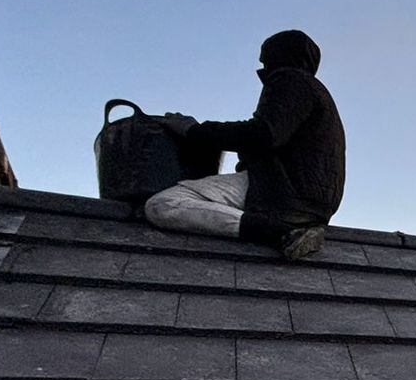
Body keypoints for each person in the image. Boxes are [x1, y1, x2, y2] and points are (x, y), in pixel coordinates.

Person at [143, 29, 346, 260]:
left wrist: (193, 130)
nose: (262, 65)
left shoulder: (290, 79)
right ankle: (286, 226)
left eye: (266, 58)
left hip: (281, 191)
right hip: (314, 206)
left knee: (162, 204)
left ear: (279, 55)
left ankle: (280, 233)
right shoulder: (318, 95)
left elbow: (263, 135)